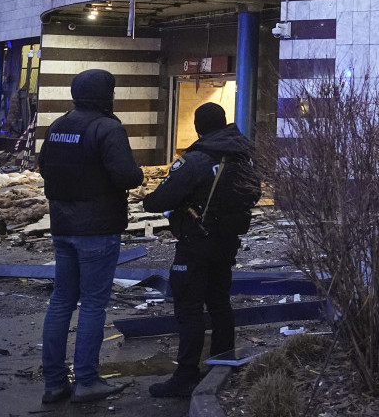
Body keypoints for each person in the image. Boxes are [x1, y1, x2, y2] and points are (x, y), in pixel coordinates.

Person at [39, 68, 144, 404]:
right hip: (97, 228)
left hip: (63, 225)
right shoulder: (107, 127)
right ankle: (86, 380)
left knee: (60, 301)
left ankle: (54, 383)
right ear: (105, 94)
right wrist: (139, 172)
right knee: (93, 305)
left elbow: (45, 166)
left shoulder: (59, 125)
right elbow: (126, 175)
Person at [143, 102, 261, 398]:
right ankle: (222, 364)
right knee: (220, 303)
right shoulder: (243, 157)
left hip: (196, 243)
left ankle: (185, 376)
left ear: (198, 127)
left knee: (189, 308)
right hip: (226, 242)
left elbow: (159, 200)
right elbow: (255, 193)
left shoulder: (194, 160)